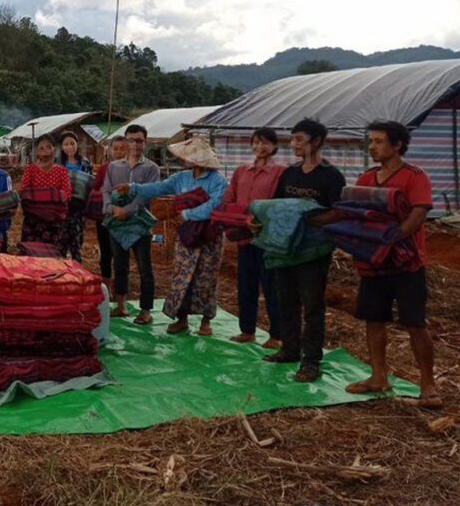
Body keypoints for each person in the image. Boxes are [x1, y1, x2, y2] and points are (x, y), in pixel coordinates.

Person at [344, 121, 440, 407]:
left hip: (406, 264)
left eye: (378, 141)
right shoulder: (366, 178)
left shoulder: (415, 176)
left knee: (414, 323)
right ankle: (378, 376)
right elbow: (357, 214)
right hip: (375, 264)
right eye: (370, 141)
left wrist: (392, 238)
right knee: (374, 320)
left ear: (397, 145)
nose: (372, 146)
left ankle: (428, 384)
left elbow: (418, 215)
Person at [261, 119, 345, 383]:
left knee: (312, 305)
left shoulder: (331, 176)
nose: (293, 144)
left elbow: (337, 212)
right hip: (286, 247)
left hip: (313, 250)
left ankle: (311, 361)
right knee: (286, 299)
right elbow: (276, 205)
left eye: (299, 139)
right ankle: (289, 349)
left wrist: (305, 217)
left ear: (316, 141)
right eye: (293, 139)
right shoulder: (290, 173)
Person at [118, 138, 226, 336]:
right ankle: (181, 319)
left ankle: (205, 321)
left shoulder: (217, 180)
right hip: (187, 235)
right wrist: (133, 188)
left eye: (187, 156)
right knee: (181, 276)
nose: (183, 159)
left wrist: (187, 214)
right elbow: (158, 188)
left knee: (206, 277)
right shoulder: (181, 178)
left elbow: (215, 206)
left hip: (209, 236)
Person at [223, 127, 285, 347]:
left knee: (271, 286)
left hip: (267, 237)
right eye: (256, 142)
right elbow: (230, 198)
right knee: (246, 284)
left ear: (275, 146)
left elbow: (280, 202)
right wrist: (236, 216)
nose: (260, 147)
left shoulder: (280, 172)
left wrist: (261, 220)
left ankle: (277, 335)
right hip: (243, 235)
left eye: (266, 143)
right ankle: (247, 330)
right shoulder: (241, 171)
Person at [102, 126, 160, 321]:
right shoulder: (114, 167)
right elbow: (106, 191)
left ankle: (146, 310)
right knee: (120, 265)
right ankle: (121, 305)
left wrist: (126, 210)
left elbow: (146, 195)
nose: (135, 144)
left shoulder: (152, 168)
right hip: (117, 224)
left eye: (139, 140)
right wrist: (111, 209)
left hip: (140, 225)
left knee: (145, 267)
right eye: (131, 140)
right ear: (126, 142)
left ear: (145, 142)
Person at [20, 134, 72, 250]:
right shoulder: (31, 169)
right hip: (33, 222)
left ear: (55, 150)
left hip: (55, 222)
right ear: (36, 152)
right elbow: (24, 192)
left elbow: (67, 194)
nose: (45, 150)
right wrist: (52, 196)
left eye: (49, 147)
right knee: (32, 256)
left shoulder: (62, 171)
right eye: (41, 148)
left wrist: (38, 196)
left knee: (52, 258)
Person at [92, 135, 126, 290]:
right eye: (115, 148)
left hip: (124, 217)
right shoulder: (105, 168)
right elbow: (95, 187)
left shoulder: (131, 169)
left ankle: (120, 289)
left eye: (122, 148)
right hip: (105, 216)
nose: (118, 152)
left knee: (121, 253)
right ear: (111, 150)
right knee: (105, 251)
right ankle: (106, 285)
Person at [59, 130, 93, 261]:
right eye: (66, 144)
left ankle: (77, 272)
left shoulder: (85, 163)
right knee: (60, 242)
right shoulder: (57, 164)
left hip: (79, 208)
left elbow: (89, 183)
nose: (69, 147)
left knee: (77, 242)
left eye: (72, 143)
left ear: (77, 144)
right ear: (61, 147)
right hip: (62, 208)